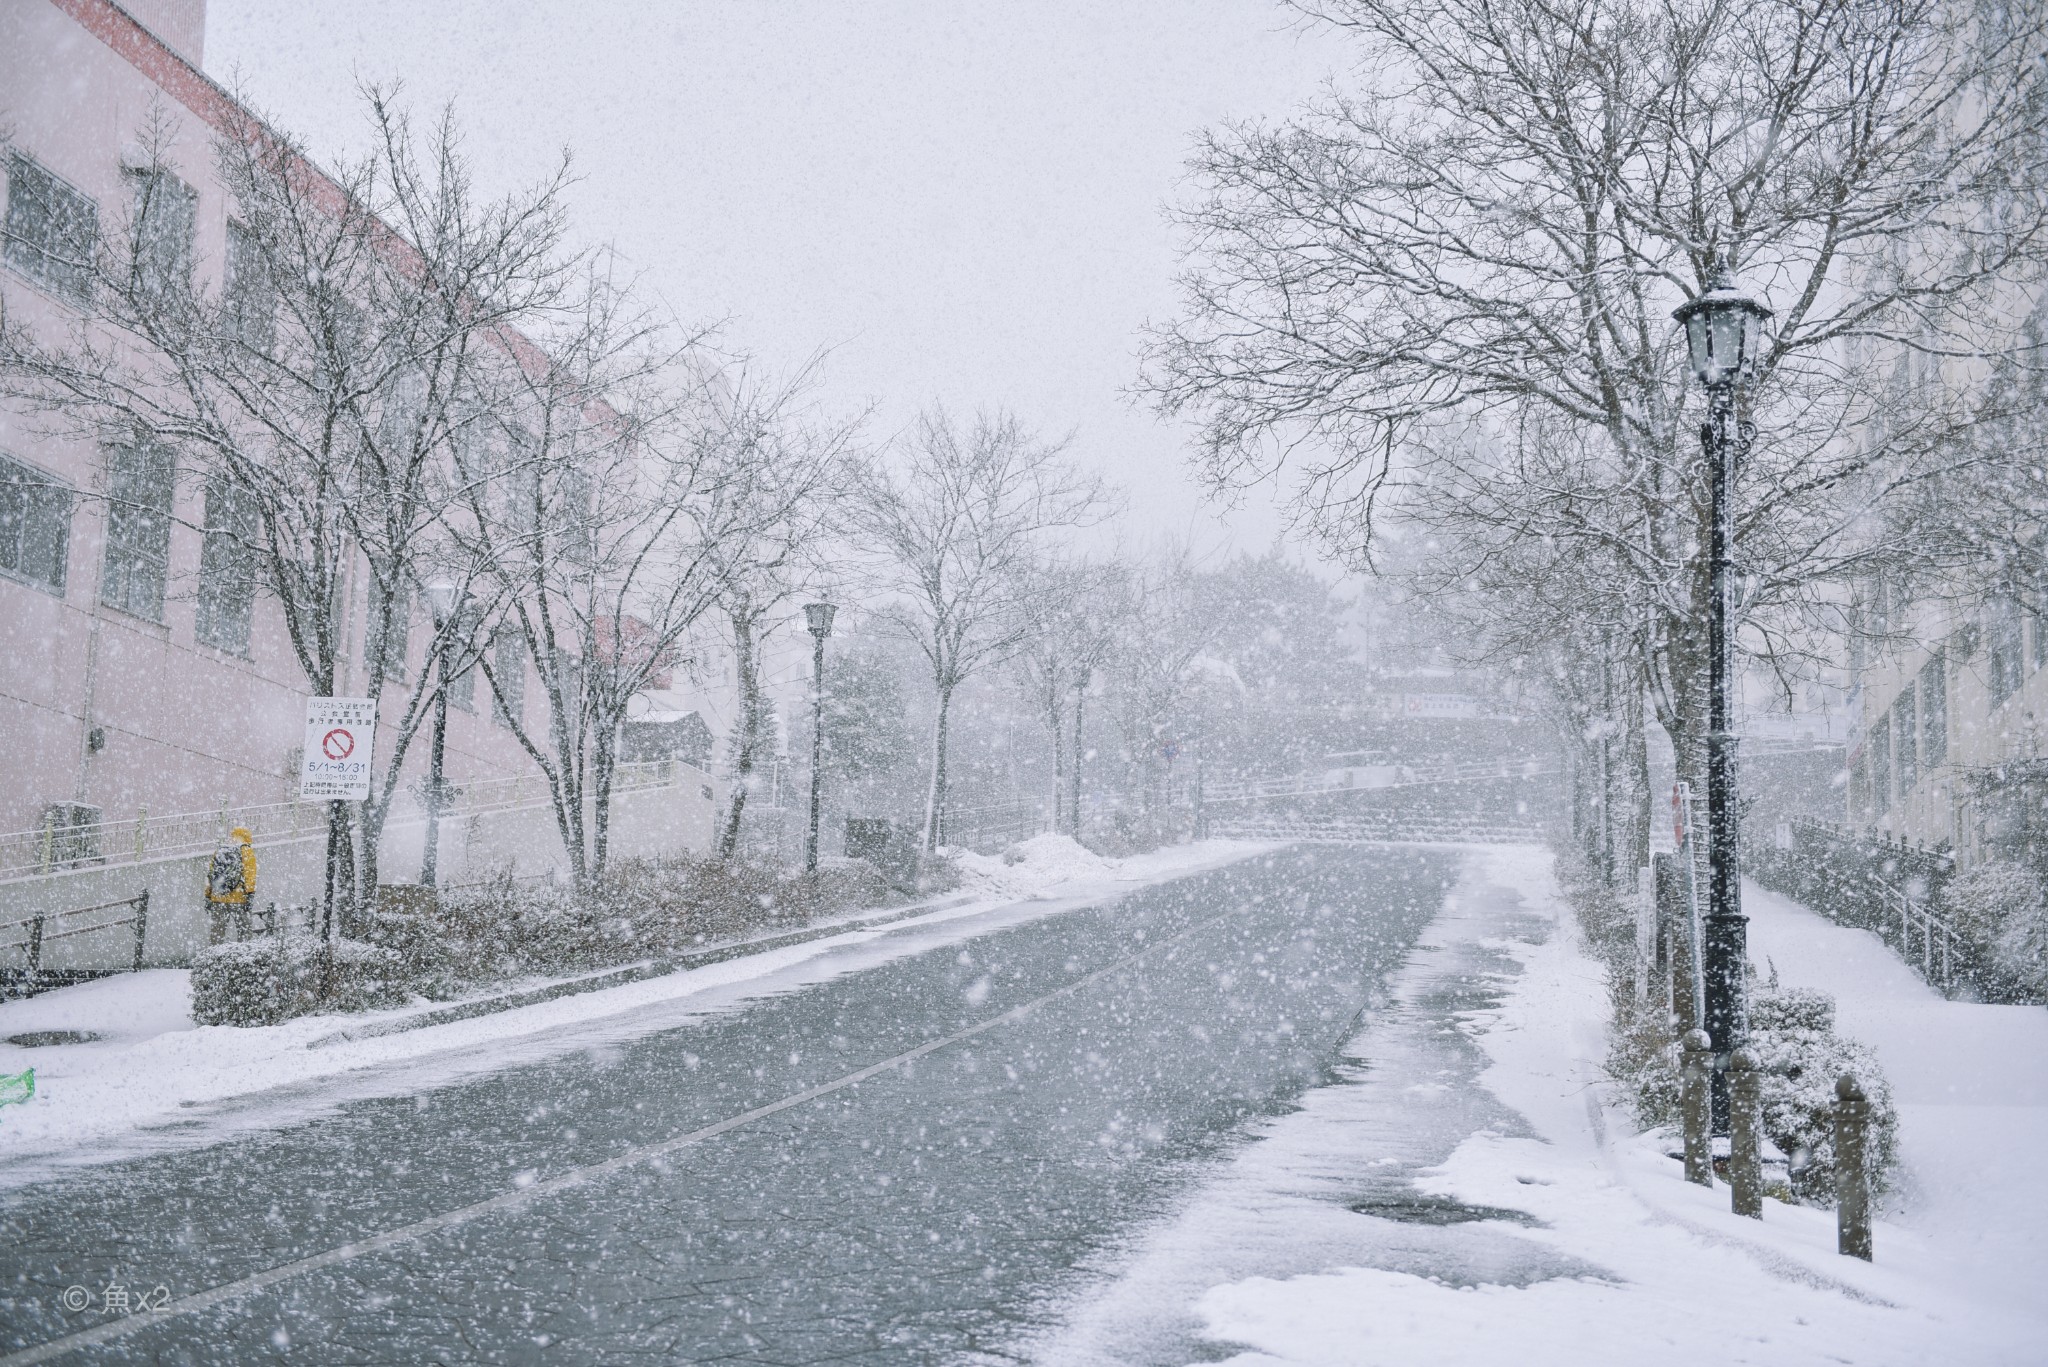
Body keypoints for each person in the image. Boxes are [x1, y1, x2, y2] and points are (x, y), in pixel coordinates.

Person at [205, 826, 257, 942]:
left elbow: (211, 874)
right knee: (245, 931)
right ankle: (243, 955)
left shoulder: (220, 850)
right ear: (247, 837)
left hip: (218, 897)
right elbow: (250, 874)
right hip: (239, 898)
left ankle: (215, 956)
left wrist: (208, 895)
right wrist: (250, 894)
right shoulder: (246, 851)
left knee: (217, 932)